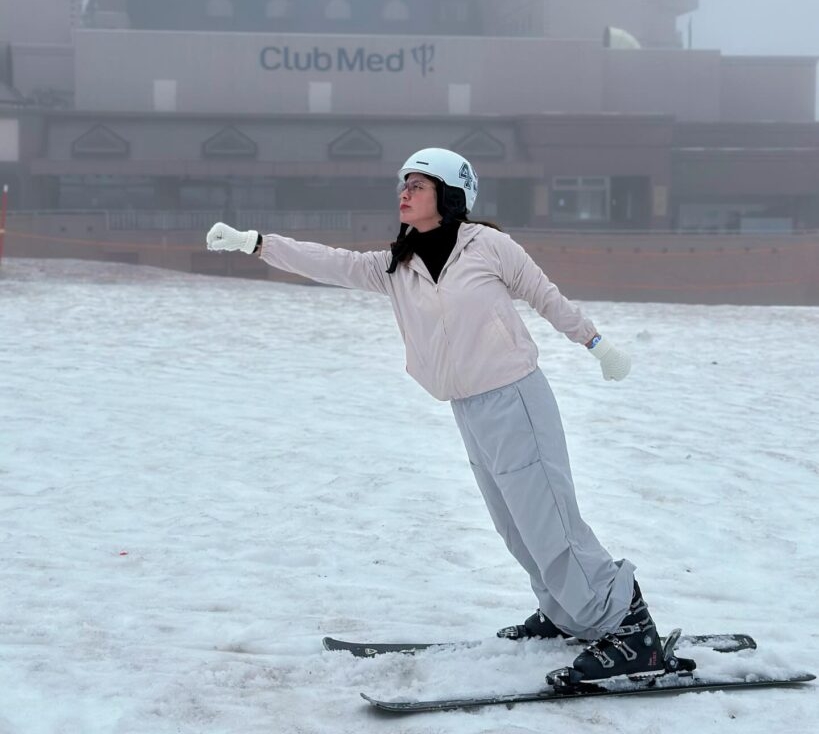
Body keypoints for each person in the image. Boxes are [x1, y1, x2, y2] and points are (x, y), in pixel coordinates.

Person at [206, 147, 665, 684]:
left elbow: (545, 295)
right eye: (404, 184)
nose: (404, 193)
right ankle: (569, 614)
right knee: (515, 524)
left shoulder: (487, 245)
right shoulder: (398, 266)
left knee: (549, 516)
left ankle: (629, 628)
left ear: (448, 195)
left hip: (515, 395)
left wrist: (596, 343)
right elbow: (330, 262)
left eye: (417, 185)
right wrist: (257, 244)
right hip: (467, 405)